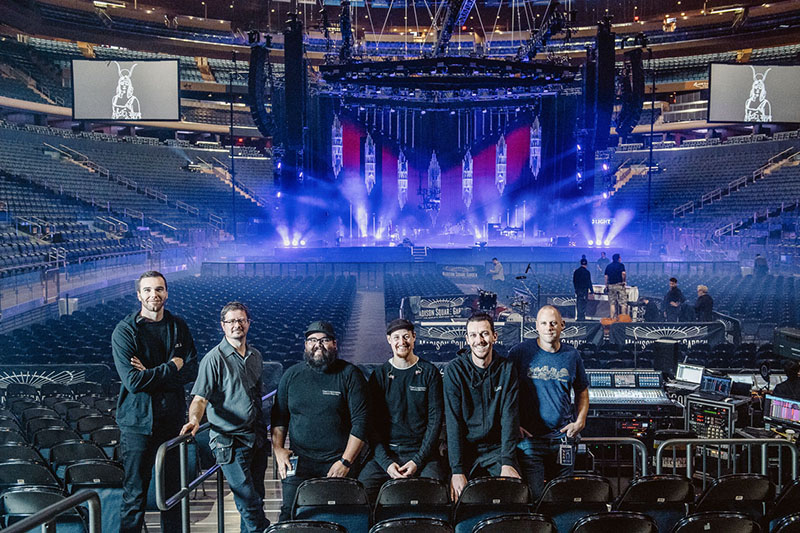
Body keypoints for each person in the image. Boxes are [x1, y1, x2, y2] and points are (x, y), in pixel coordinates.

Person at [111, 271, 198, 533]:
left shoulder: (178, 326)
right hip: (137, 425)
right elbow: (133, 382)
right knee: (134, 495)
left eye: (159, 289)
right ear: (139, 295)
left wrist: (150, 371)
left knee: (173, 493)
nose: (154, 295)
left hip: (172, 424)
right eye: (147, 290)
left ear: (167, 293)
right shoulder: (125, 331)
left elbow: (191, 370)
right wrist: (171, 366)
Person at [181, 302, 269, 533]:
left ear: (249, 323)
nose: (237, 325)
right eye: (231, 321)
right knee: (247, 500)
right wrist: (194, 420)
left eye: (241, 320)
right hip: (229, 441)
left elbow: (256, 398)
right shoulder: (214, 359)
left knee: (257, 496)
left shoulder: (256, 355)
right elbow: (200, 399)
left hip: (255, 439)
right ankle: (266, 529)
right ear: (223, 326)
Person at [271, 320, 368, 522]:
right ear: (305, 345)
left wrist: (345, 461)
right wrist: (278, 450)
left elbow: (361, 422)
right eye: (313, 340)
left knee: (339, 517)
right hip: (299, 461)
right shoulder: (291, 376)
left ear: (335, 344)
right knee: (289, 516)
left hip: (338, 461)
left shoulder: (350, 374)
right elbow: (279, 419)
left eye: (324, 340)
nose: (318, 345)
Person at [358, 319, 445, 502]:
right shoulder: (379, 375)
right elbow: (371, 426)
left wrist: (418, 460)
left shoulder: (429, 373)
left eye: (406, 336)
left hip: (422, 452)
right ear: (389, 340)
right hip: (387, 453)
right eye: (396, 337)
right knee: (362, 492)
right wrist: (387, 463)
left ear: (414, 338)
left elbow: (435, 421)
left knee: (436, 492)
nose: (402, 341)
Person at [509, 305, 589, 500]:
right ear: (536, 326)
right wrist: (514, 424)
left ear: (562, 325)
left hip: (563, 438)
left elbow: (582, 390)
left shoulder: (572, 356)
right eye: (544, 323)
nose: (549, 327)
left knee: (562, 499)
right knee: (535, 498)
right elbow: (506, 392)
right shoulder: (519, 353)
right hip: (530, 442)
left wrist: (580, 421)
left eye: (553, 323)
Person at [444, 312, 520, 501]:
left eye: (485, 334)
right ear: (467, 339)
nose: (480, 340)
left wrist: (507, 462)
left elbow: (509, 416)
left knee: (514, 496)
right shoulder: (454, 370)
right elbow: (453, 422)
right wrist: (457, 470)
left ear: (494, 336)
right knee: (458, 499)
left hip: (497, 449)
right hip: (466, 449)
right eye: (474, 335)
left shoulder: (507, 368)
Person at [604, 253, 627, 319]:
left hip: (611, 286)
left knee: (612, 303)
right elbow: (623, 274)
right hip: (620, 285)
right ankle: (623, 319)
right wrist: (624, 281)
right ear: (619, 258)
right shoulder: (621, 265)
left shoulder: (609, 266)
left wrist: (606, 285)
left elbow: (606, 277)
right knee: (623, 303)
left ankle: (612, 318)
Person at [572, 256, 593, 321]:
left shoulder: (576, 271)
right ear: (586, 264)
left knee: (579, 302)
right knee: (583, 303)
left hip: (578, 289)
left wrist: (575, 288)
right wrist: (591, 290)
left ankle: (579, 316)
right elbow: (589, 281)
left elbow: (574, 281)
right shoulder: (587, 272)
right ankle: (582, 316)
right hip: (584, 290)